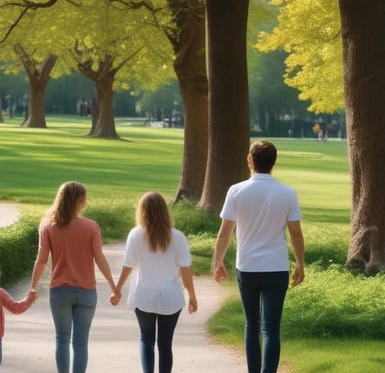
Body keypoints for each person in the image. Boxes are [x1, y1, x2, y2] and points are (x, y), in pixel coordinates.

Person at [212, 140, 305, 373]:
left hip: (248, 266)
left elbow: (225, 233)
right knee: (271, 328)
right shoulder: (287, 193)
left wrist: (218, 260)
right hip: (276, 266)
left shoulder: (236, 190)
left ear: (249, 160)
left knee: (251, 325)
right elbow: (296, 233)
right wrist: (300, 263)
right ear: (274, 163)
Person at [30, 181, 116, 373]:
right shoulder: (91, 227)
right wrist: (113, 285)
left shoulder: (48, 227)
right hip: (86, 291)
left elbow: (41, 260)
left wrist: (33, 287)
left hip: (59, 291)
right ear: (80, 201)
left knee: (62, 338)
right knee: (80, 342)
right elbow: (99, 258)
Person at [110, 191, 197, 373]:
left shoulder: (135, 235)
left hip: (144, 295)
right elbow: (185, 269)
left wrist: (117, 290)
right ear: (165, 211)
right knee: (165, 344)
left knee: (146, 338)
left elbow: (128, 266)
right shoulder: (177, 237)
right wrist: (191, 295)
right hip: (170, 297)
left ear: (142, 212)